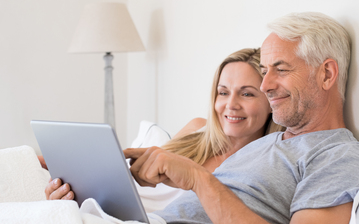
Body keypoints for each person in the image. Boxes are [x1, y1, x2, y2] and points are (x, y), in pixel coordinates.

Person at [124, 12, 359, 224]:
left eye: (280, 69)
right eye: (265, 71)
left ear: (326, 74)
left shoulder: (340, 155)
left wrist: (199, 180)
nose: (266, 85)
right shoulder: (266, 143)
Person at [44, 48, 285, 200]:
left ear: (269, 100)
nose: (230, 105)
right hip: (117, 216)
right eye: (223, 93)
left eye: (247, 94)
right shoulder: (197, 130)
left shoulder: (266, 165)